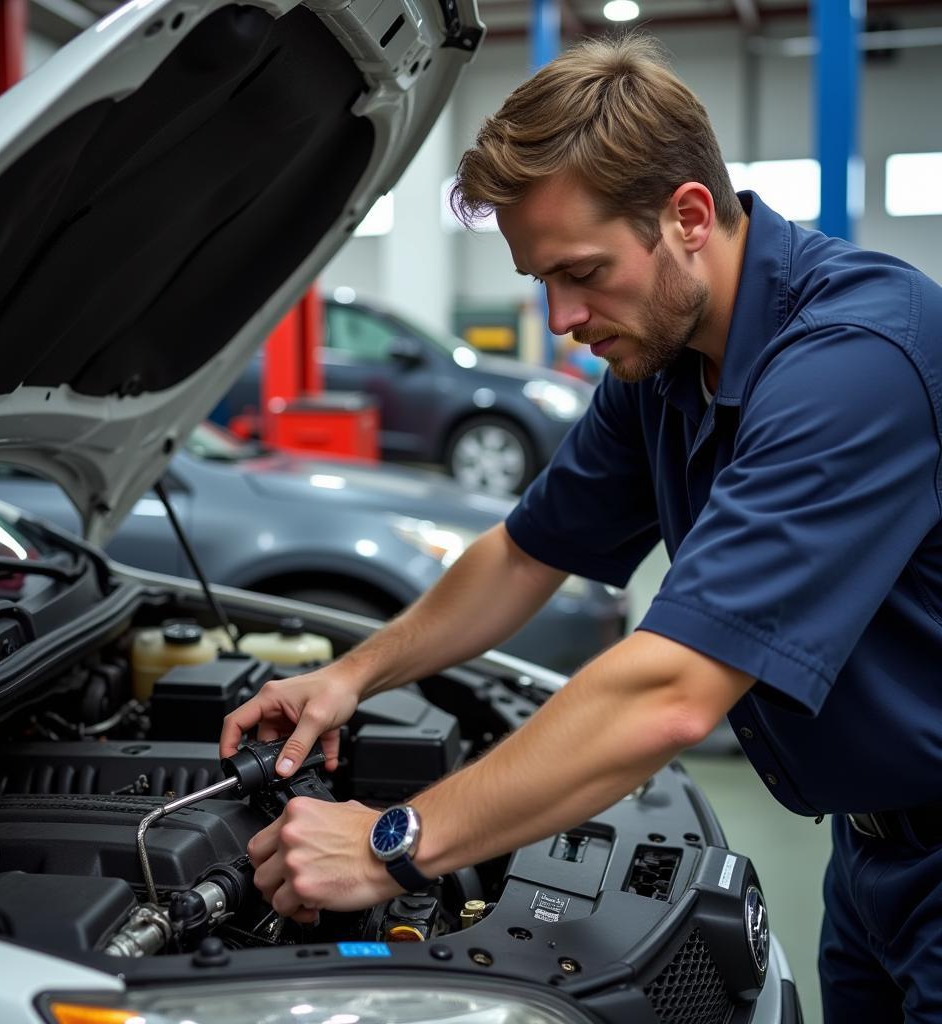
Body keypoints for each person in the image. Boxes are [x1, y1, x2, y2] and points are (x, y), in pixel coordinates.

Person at [221, 33, 942, 1023]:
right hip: (871, 856)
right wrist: (348, 676)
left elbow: (674, 692)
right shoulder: (666, 362)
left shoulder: (854, 363)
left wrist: (398, 839)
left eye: (581, 271)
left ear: (688, 216)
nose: (561, 317)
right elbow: (524, 553)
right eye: (539, 280)